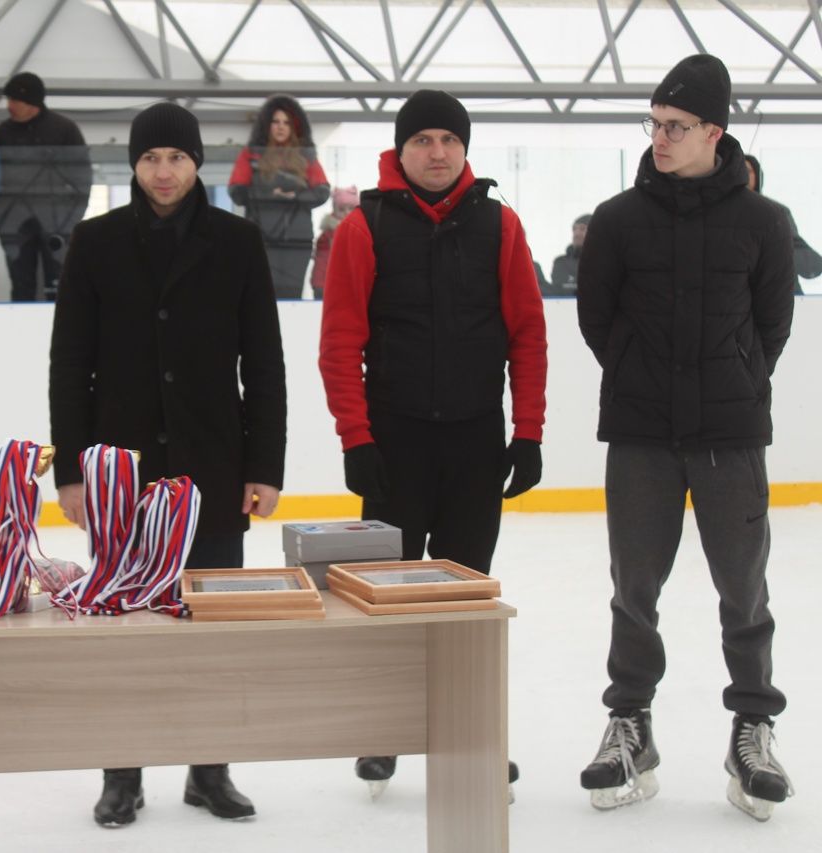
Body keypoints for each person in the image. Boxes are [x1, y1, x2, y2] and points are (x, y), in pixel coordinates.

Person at [49, 102, 287, 828]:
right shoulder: (94, 242)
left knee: (212, 625)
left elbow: (264, 364)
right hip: (120, 473)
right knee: (126, 623)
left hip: (214, 466)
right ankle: (122, 770)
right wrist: (71, 469)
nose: (163, 171)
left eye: (176, 158)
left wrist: (265, 464)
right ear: (134, 163)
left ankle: (208, 768)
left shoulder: (239, 242)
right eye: (151, 158)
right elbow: (71, 365)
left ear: (195, 164)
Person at [576, 55, 796, 820]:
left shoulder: (766, 222)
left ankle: (753, 726)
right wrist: (643, 374)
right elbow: (597, 320)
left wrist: (730, 378)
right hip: (640, 434)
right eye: (655, 124)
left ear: (715, 132)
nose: (659, 138)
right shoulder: (617, 219)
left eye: (675, 127)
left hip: (731, 436)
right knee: (634, 589)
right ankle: (630, 723)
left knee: (744, 590)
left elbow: (772, 327)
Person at [318, 89, 547, 797]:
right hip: (394, 443)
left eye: (449, 139)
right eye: (424, 141)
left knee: (465, 600)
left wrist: (528, 432)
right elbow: (340, 344)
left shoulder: (501, 225)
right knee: (384, 596)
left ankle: (472, 732)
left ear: (465, 148)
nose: (438, 152)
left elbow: (528, 336)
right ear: (402, 149)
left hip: (476, 443)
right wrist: (357, 437)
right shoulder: (365, 227)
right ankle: (384, 730)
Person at [0, 71, 92, 302]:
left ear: (32, 102)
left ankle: (63, 336)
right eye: (9, 99)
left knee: (60, 285)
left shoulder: (64, 129)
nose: (9, 105)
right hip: (15, 226)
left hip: (58, 225)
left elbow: (82, 178)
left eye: (15, 100)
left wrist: (70, 221)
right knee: (21, 285)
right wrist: (1, 218)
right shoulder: (2, 133)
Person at [228, 94, 331, 299]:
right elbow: (237, 191)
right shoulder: (251, 155)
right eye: (275, 121)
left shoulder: (306, 156)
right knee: (260, 295)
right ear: (267, 125)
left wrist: (294, 196)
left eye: (286, 122)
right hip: (261, 239)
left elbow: (322, 191)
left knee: (292, 296)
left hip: (297, 241)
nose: (281, 127)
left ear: (294, 127)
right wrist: (270, 195)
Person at [744, 154, 821, 294]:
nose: (743, 174)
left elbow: (807, 262)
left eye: (747, 170)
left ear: (757, 176)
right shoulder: (717, 214)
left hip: (781, 292)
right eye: (739, 169)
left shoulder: (777, 212)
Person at [309, 185, 357, 300]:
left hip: (331, 281)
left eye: (351, 208)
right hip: (325, 283)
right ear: (334, 210)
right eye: (341, 209)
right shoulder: (333, 232)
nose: (346, 213)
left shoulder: (348, 230)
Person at [548, 213, 590, 296]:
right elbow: (558, 290)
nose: (576, 234)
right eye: (574, 229)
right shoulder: (560, 262)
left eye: (582, 229)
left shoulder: (603, 262)